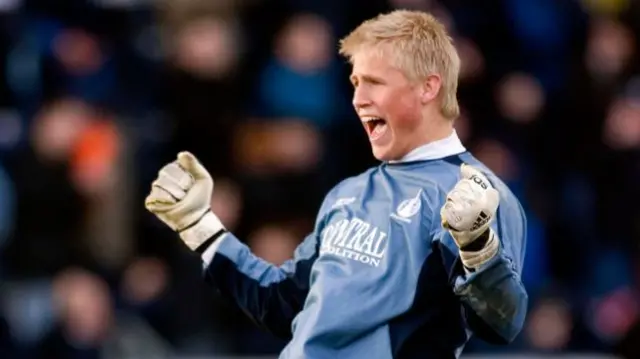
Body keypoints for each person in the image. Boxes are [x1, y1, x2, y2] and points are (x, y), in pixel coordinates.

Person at [144, 9, 528, 359]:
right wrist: (203, 228)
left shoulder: (485, 198)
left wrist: (477, 252)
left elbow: (501, 324)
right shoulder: (350, 195)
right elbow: (282, 301)